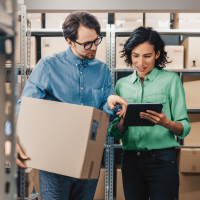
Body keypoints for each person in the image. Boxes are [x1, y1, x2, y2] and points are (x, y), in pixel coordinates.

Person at [16, 11, 127, 200]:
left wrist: (109, 103)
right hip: (54, 162)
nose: (94, 48)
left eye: (96, 41)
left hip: (88, 160)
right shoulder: (48, 66)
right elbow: (25, 107)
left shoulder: (102, 71)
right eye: (86, 44)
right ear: (69, 41)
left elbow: (103, 113)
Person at [108, 27, 191, 200]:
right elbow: (115, 131)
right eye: (136, 55)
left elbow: (184, 127)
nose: (141, 62)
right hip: (130, 160)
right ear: (130, 54)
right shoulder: (122, 85)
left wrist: (164, 122)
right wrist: (123, 120)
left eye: (147, 56)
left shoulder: (171, 81)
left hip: (161, 159)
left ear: (157, 54)